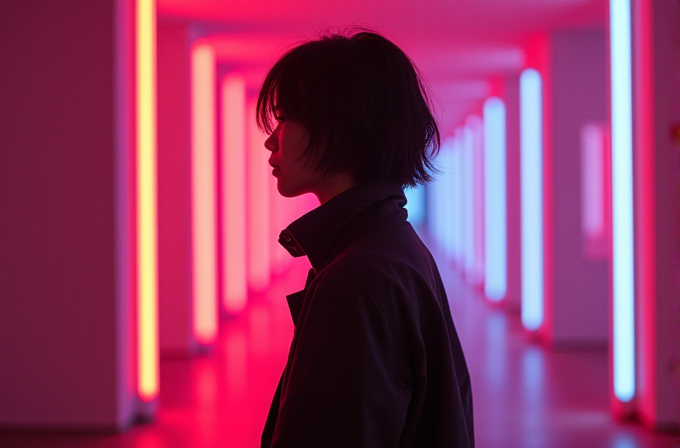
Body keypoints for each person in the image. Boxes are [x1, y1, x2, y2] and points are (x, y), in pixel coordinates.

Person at [257, 29, 474, 448]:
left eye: (283, 117)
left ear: (338, 126)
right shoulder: (394, 245)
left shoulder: (353, 280)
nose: (271, 138)